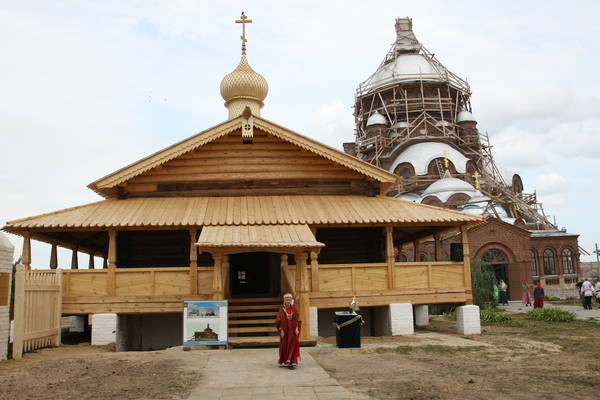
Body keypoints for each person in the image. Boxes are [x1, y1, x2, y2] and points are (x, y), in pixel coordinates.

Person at [276, 293, 301, 369]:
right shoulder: (281, 309)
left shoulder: (294, 309)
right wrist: (281, 330)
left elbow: (298, 320)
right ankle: (284, 360)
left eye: (289, 299)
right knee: (284, 345)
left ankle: (291, 360)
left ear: (291, 300)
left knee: (293, 344)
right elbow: (278, 321)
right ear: (284, 300)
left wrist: (297, 328)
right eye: (286, 299)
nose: (288, 300)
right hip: (285, 330)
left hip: (292, 330)